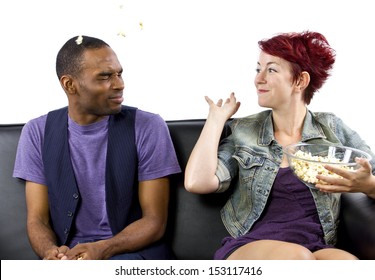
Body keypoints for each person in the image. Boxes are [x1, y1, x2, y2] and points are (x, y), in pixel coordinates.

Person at [184, 31, 375, 260]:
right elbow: (197, 182)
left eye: (271, 69)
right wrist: (215, 121)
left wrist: (368, 185)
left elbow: (369, 173)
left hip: (317, 246)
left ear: (300, 81)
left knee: (347, 263)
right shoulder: (245, 131)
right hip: (251, 247)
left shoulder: (332, 128)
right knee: (297, 258)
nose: (258, 79)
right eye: (258, 69)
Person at [13, 35, 181, 260]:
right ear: (69, 84)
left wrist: (102, 249)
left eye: (119, 74)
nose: (119, 84)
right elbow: (37, 219)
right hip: (71, 256)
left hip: (134, 253)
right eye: (105, 77)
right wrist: (50, 253)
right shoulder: (36, 132)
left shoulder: (148, 126)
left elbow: (154, 221)